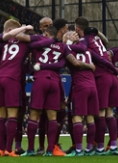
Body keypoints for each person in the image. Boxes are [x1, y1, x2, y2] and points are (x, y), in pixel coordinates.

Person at [21, 26, 75, 157]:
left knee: (34, 116)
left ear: (46, 33)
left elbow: (28, 45)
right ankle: (50, 150)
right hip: (55, 81)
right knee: (52, 118)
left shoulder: (39, 41)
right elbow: (63, 64)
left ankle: (30, 150)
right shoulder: (62, 46)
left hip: (41, 79)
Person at [75, 17, 118, 156]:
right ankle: (113, 146)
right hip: (112, 78)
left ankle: (99, 147)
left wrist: (114, 69)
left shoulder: (85, 41)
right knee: (110, 113)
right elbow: (106, 42)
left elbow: (98, 58)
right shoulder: (97, 39)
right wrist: (114, 71)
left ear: (77, 28)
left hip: (102, 77)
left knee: (100, 113)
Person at [0, 21, 39, 156]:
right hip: (12, 79)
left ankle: (1, 149)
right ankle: (9, 149)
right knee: (13, 116)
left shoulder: (4, 41)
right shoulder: (26, 43)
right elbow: (40, 41)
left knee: (1, 116)